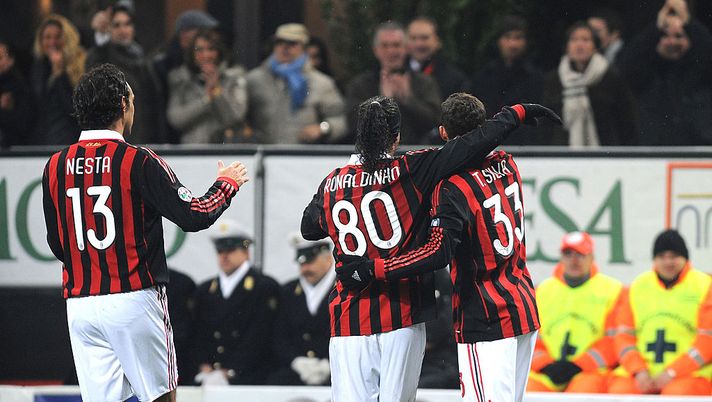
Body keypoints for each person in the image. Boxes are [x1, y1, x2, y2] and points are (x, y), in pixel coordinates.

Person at [301, 94, 559, 402]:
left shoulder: (333, 182)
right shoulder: (417, 170)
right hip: (404, 313)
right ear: (396, 137)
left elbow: (309, 228)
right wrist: (515, 114)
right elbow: (466, 149)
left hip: (349, 316)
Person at [41, 63, 249, 402]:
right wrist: (226, 184)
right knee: (160, 397)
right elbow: (193, 215)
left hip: (81, 306)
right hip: (133, 297)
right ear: (123, 105)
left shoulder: (55, 165)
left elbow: (57, 244)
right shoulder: (137, 160)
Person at [610, 229, 712, 395]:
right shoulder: (637, 287)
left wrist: (672, 372)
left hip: (691, 373)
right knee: (619, 391)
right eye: (662, 257)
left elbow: (708, 340)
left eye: (674, 256)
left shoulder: (705, 285)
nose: (668, 262)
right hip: (641, 373)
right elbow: (623, 338)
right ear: (654, 259)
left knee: (677, 394)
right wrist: (639, 371)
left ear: (685, 258)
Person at [527, 232, 623, 393]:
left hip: (591, 372)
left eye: (581, 254)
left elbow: (613, 340)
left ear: (592, 257)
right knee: (527, 390)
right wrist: (545, 365)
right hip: (547, 373)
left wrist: (580, 365)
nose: (574, 260)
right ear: (561, 257)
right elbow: (531, 338)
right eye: (568, 254)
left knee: (582, 392)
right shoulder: (542, 291)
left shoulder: (612, 290)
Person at [192, 219, 280, 385]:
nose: (224, 255)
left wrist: (232, 370)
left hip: (250, 376)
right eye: (220, 250)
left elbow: (261, 336)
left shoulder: (263, 287)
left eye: (231, 249)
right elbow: (198, 333)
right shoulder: (205, 290)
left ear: (246, 252)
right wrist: (204, 365)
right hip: (210, 375)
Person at [616, 0, 712, 146]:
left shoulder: (700, 70)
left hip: (697, 147)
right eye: (665, 36)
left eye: (679, 36)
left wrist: (689, 23)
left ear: (691, 40)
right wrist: (656, 27)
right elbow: (627, 64)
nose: (672, 42)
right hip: (655, 149)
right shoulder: (647, 72)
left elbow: (707, 50)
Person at [246, 23, 345, 144]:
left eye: (292, 43)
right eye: (279, 42)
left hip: (302, 157)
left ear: (304, 48)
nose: (285, 48)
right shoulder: (254, 79)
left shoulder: (322, 83)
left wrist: (322, 128)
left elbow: (340, 119)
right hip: (262, 154)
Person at [542, 21, 637, 146]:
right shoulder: (554, 79)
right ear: (567, 46)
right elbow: (545, 126)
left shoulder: (610, 77)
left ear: (595, 46)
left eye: (586, 40)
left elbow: (627, 122)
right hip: (562, 155)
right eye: (574, 40)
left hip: (606, 154)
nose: (579, 45)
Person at [344, 22, 441, 145]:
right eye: (385, 46)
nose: (391, 51)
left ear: (406, 48)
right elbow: (353, 124)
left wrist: (408, 100)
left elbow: (435, 121)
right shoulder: (360, 85)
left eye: (396, 45)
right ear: (376, 50)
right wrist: (384, 102)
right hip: (374, 155)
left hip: (417, 153)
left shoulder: (424, 82)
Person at [268, 233, 335, 386]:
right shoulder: (288, 291)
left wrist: (329, 363)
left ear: (328, 258)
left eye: (310, 261)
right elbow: (279, 335)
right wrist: (296, 361)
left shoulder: (344, 289)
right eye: (301, 263)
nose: (305, 268)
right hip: (297, 373)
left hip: (335, 368)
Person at [86, 3, 157, 144]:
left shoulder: (142, 58)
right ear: (109, 28)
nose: (123, 30)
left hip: (144, 138)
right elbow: (94, 73)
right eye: (117, 25)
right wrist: (100, 38)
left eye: (127, 24)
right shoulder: (102, 58)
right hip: (116, 142)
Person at [472, 15, 544, 145]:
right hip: (491, 144)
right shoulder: (484, 76)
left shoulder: (536, 77)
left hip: (525, 147)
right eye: (508, 37)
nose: (513, 44)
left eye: (518, 38)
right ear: (499, 41)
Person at [167, 28, 248, 144]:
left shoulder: (234, 77)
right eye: (199, 50)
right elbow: (176, 119)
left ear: (219, 52)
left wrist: (217, 91)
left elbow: (235, 117)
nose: (206, 55)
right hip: (192, 151)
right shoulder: (180, 79)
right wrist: (206, 99)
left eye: (211, 49)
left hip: (226, 150)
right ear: (192, 54)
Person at [150, 9, 219, 144]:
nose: (206, 38)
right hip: (171, 139)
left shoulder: (212, 66)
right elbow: (169, 114)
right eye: (201, 33)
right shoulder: (166, 67)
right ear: (184, 35)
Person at [31, 14, 86, 146]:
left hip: (70, 142)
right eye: (47, 37)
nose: (52, 42)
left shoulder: (82, 64)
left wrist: (60, 74)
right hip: (43, 142)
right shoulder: (39, 67)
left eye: (57, 37)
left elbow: (74, 110)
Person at [406, 16, 470, 101]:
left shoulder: (454, 79)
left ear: (437, 41)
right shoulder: (396, 72)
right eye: (413, 38)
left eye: (424, 38)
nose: (419, 44)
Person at [0, 38, 33, 148]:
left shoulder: (20, 86)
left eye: (0, 58)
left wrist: (4, 110)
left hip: (14, 151)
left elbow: (24, 123)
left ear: (11, 60)